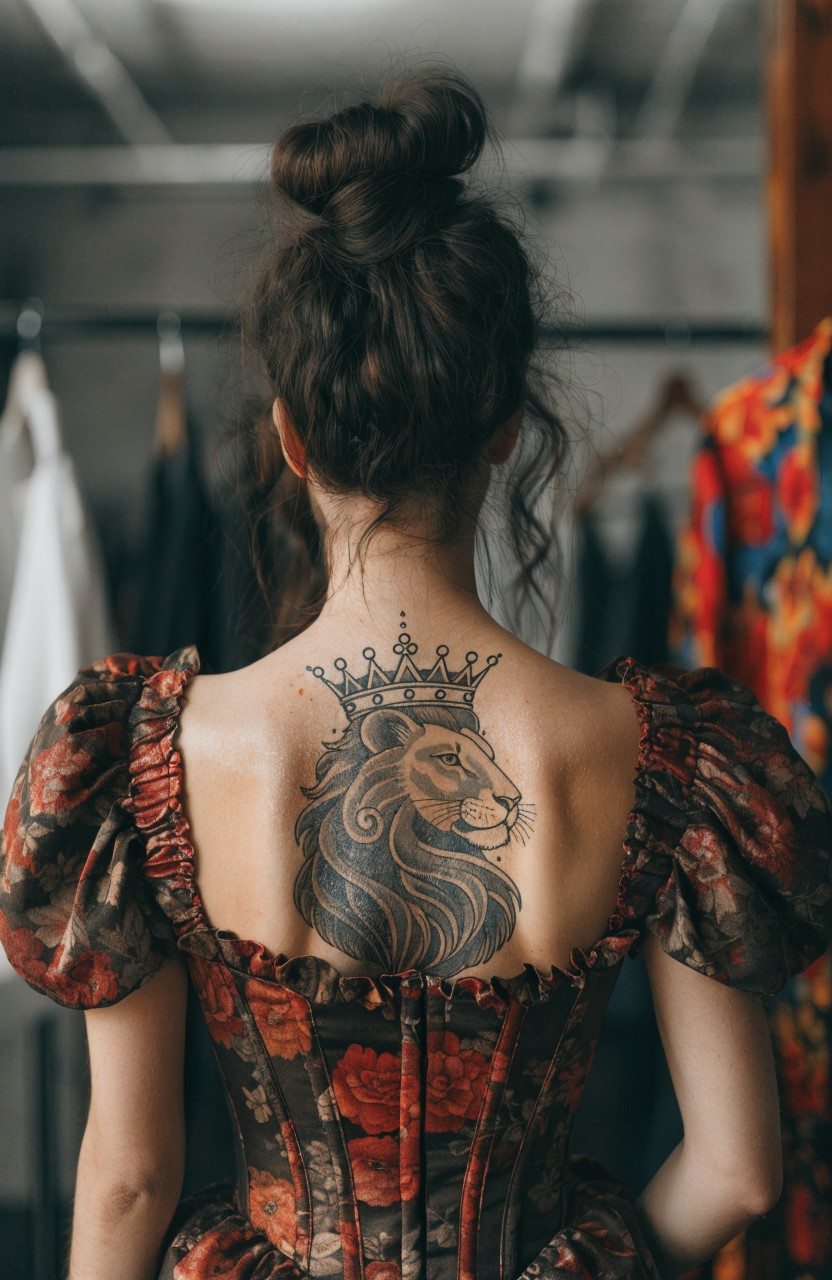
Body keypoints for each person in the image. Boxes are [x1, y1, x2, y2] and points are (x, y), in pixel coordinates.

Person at [1, 69, 831, 1280]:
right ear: (505, 425)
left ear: (288, 435)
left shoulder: (145, 758)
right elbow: (740, 1168)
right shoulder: (666, 759)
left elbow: (130, 1175)